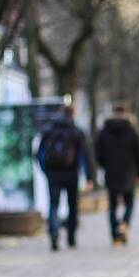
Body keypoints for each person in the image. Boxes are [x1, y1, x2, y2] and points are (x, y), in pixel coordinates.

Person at [37, 105, 92, 251]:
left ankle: (54, 233)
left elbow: (40, 153)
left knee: (53, 205)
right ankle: (71, 237)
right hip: (71, 173)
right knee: (72, 205)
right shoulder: (77, 131)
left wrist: (46, 170)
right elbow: (84, 156)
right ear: (73, 114)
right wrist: (88, 177)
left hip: (53, 173)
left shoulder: (49, 130)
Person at [94, 104, 139, 245]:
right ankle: (124, 223)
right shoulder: (132, 131)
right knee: (129, 202)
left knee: (112, 205)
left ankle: (115, 236)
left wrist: (105, 165)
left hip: (111, 172)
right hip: (129, 172)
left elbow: (98, 153)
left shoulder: (104, 131)